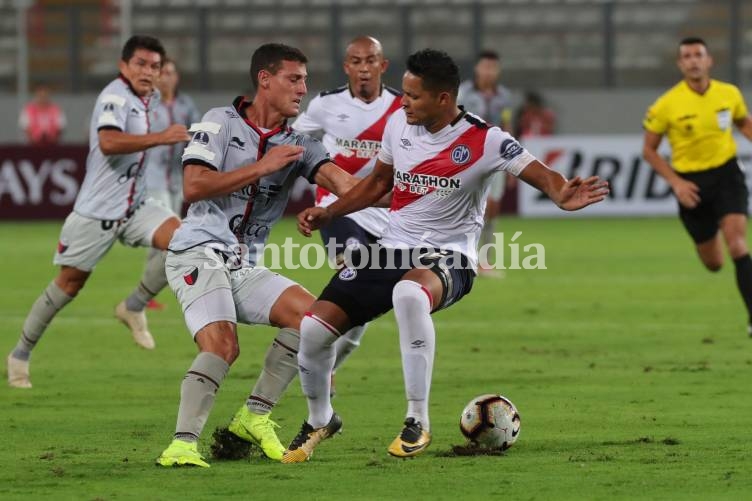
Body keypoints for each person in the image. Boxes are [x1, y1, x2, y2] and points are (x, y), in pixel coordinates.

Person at [281, 49, 608, 463]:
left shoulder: (485, 139)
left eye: (413, 96)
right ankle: (319, 419)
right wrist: (330, 210)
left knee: (409, 295)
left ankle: (417, 419)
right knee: (313, 328)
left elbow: (542, 174)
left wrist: (561, 192)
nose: (402, 101)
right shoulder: (399, 122)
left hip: (450, 256)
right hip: (392, 248)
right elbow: (377, 183)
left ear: (444, 98)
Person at [155, 43, 361, 468]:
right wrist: (263, 167)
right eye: (294, 78)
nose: (303, 88)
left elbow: (347, 184)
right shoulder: (218, 122)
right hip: (196, 250)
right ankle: (182, 444)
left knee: (318, 322)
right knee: (222, 344)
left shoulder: (299, 144)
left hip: (241, 264)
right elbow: (193, 187)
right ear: (264, 80)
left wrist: (407, 195)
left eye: (305, 79)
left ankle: (254, 416)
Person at [6, 35, 190, 389]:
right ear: (123, 66)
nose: (148, 72)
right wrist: (161, 137)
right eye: (141, 64)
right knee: (68, 285)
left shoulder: (148, 99)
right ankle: (20, 354)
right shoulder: (114, 97)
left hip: (136, 207)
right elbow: (108, 142)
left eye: (155, 66)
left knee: (185, 240)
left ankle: (133, 306)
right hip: (96, 213)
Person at [292, 35, 401, 394]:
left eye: (371, 60)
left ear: (383, 65)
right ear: (346, 66)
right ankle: (317, 355)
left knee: (364, 306)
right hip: (338, 209)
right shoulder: (325, 104)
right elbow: (293, 139)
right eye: (356, 61)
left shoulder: (403, 108)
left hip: (386, 217)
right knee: (355, 266)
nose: (364, 68)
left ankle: (325, 363)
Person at [643, 37, 752, 336]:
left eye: (698, 55)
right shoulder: (667, 104)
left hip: (728, 176)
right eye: (687, 56)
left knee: (738, 244)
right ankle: (709, 236)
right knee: (715, 263)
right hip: (691, 184)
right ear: (680, 64)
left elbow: (744, 123)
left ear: (709, 60)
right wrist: (676, 182)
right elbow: (649, 150)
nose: (693, 60)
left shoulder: (729, 94)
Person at [143, 58, 201, 310]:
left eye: (171, 72)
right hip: (152, 177)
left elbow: (199, 133)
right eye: (163, 72)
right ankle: (149, 291)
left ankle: (148, 290)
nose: (167, 77)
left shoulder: (185, 105)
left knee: (166, 236)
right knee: (169, 233)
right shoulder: (146, 105)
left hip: (176, 178)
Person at [458, 50, 515, 275]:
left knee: (492, 208)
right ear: (477, 68)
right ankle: (462, 256)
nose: (489, 72)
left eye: (493, 67)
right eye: (485, 66)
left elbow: (507, 126)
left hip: (497, 158)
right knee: (468, 208)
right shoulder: (463, 93)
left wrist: (512, 162)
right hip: (469, 158)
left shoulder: (504, 97)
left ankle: (485, 261)